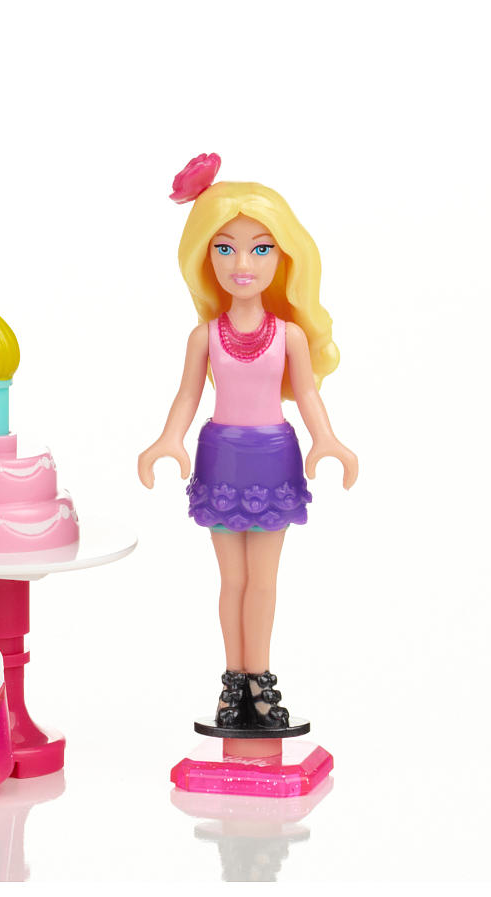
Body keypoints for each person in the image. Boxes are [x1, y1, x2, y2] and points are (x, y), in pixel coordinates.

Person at [137, 153, 358, 731]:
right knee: (231, 580)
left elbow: (306, 394)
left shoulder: (289, 335)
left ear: (284, 256)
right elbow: (188, 395)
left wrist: (327, 439)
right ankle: (232, 684)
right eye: (224, 247)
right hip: (220, 458)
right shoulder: (204, 336)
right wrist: (168, 439)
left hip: (274, 459)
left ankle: (260, 683)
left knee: (263, 580)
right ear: (203, 256)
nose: (242, 263)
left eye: (261, 248)